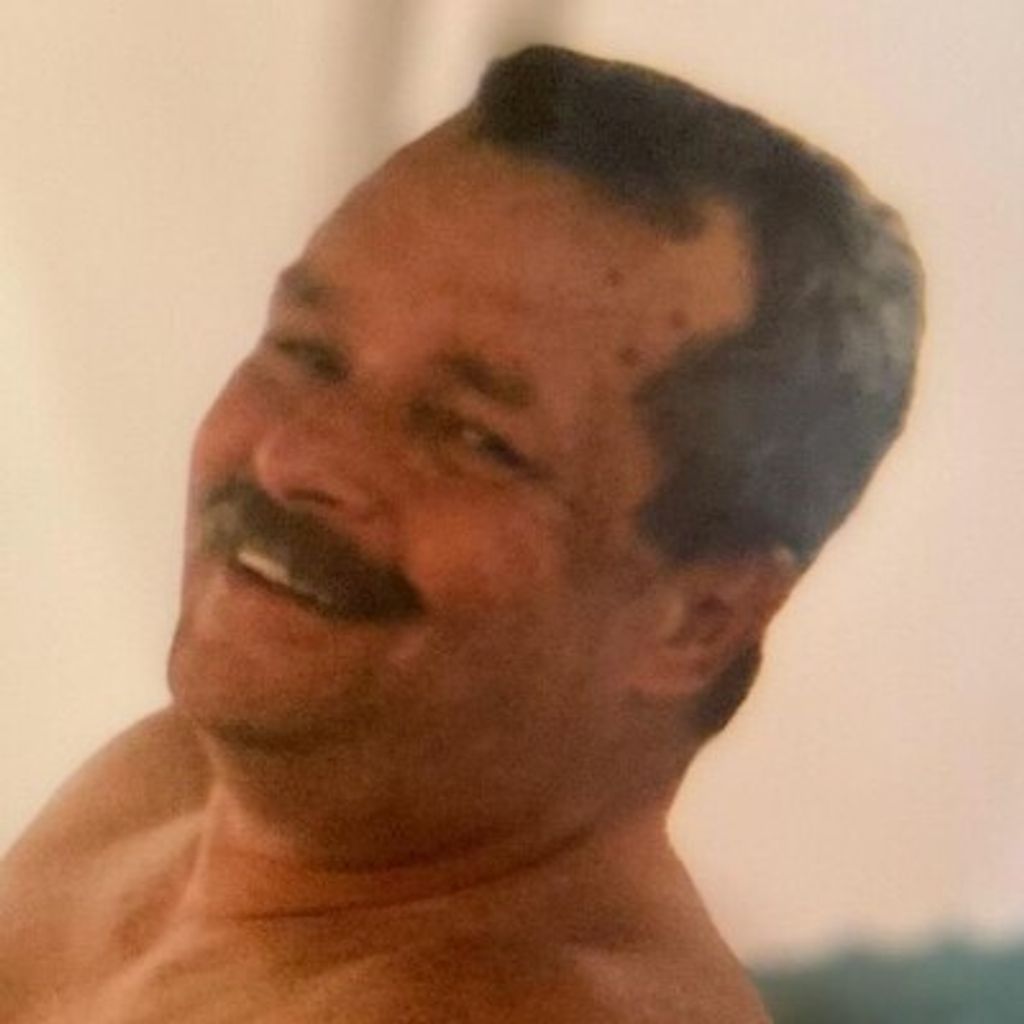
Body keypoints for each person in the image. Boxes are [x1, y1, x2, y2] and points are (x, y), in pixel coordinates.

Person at [0, 45, 922, 1023]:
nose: (295, 457)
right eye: (306, 351)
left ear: (700, 617)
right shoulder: (164, 786)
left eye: (473, 437)